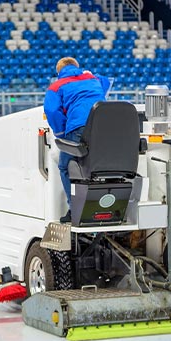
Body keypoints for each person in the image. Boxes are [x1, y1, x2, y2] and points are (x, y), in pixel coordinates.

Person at [44, 57, 111, 223]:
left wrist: (60, 133)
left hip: (78, 128)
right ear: (77, 67)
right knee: (97, 165)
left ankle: (75, 210)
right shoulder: (92, 78)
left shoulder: (56, 86)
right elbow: (106, 82)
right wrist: (88, 73)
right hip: (103, 127)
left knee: (65, 166)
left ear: (59, 71)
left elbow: (52, 111)